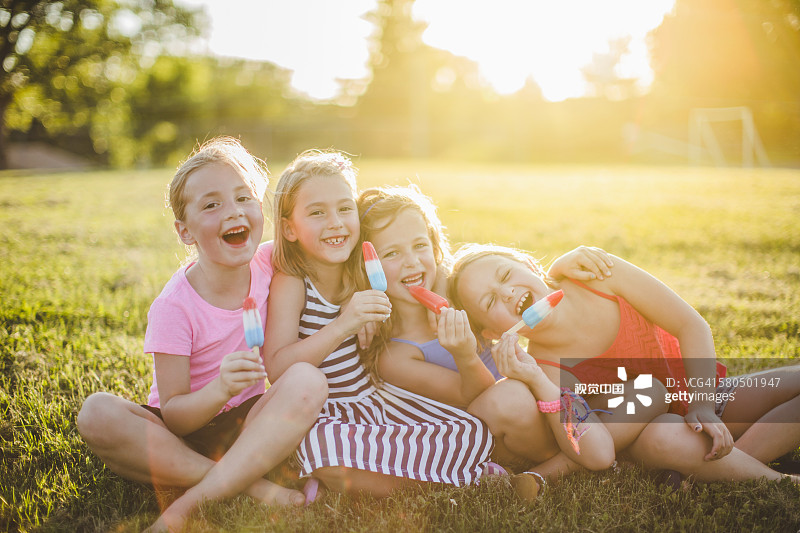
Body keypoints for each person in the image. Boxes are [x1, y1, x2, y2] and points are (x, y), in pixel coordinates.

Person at [77, 137, 328, 533]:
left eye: (243, 198)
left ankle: (212, 484)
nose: (234, 211)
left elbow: (325, 256)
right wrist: (221, 389)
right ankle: (250, 485)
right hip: (182, 435)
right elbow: (176, 417)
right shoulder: (174, 307)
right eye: (212, 205)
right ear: (185, 231)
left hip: (247, 425)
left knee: (308, 380)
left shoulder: (269, 261)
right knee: (96, 413)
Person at [357, 185, 669, 488]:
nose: (412, 261)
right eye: (392, 253)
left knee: (650, 391)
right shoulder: (395, 356)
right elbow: (475, 397)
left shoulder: (449, 287)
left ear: (433, 245)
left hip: (545, 394)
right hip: (508, 423)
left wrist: (556, 270)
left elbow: (510, 285)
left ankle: (589, 455)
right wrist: (465, 354)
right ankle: (553, 469)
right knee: (512, 397)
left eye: (419, 245)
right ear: (368, 267)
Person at [448, 243, 800, 483]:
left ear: (528, 266)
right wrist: (537, 380)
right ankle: (780, 481)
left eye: (506, 276)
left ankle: (733, 463)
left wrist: (703, 405)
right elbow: (587, 445)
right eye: (490, 301)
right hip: (655, 434)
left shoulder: (601, 277)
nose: (507, 292)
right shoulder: (547, 369)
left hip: (701, 394)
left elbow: (690, 325)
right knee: (664, 435)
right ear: (493, 333)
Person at [264, 150, 493, 498]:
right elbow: (277, 368)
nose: (335, 222)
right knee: (322, 446)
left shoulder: (358, 274)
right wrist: (343, 325)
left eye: (344, 208)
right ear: (288, 228)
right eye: (317, 212)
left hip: (376, 403)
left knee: (470, 429)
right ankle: (461, 479)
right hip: (324, 413)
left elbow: (430, 263)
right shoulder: (294, 283)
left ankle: (481, 468)